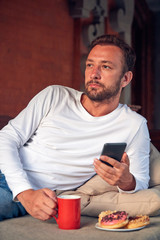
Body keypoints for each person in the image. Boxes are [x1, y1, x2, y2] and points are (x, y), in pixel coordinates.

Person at [0, 34, 150, 221]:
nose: (94, 73)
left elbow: (141, 181)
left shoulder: (134, 125)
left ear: (125, 78)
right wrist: (25, 193)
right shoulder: (54, 96)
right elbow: (6, 137)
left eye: (105, 66)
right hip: (9, 173)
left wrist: (126, 181)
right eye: (89, 65)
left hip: (35, 193)